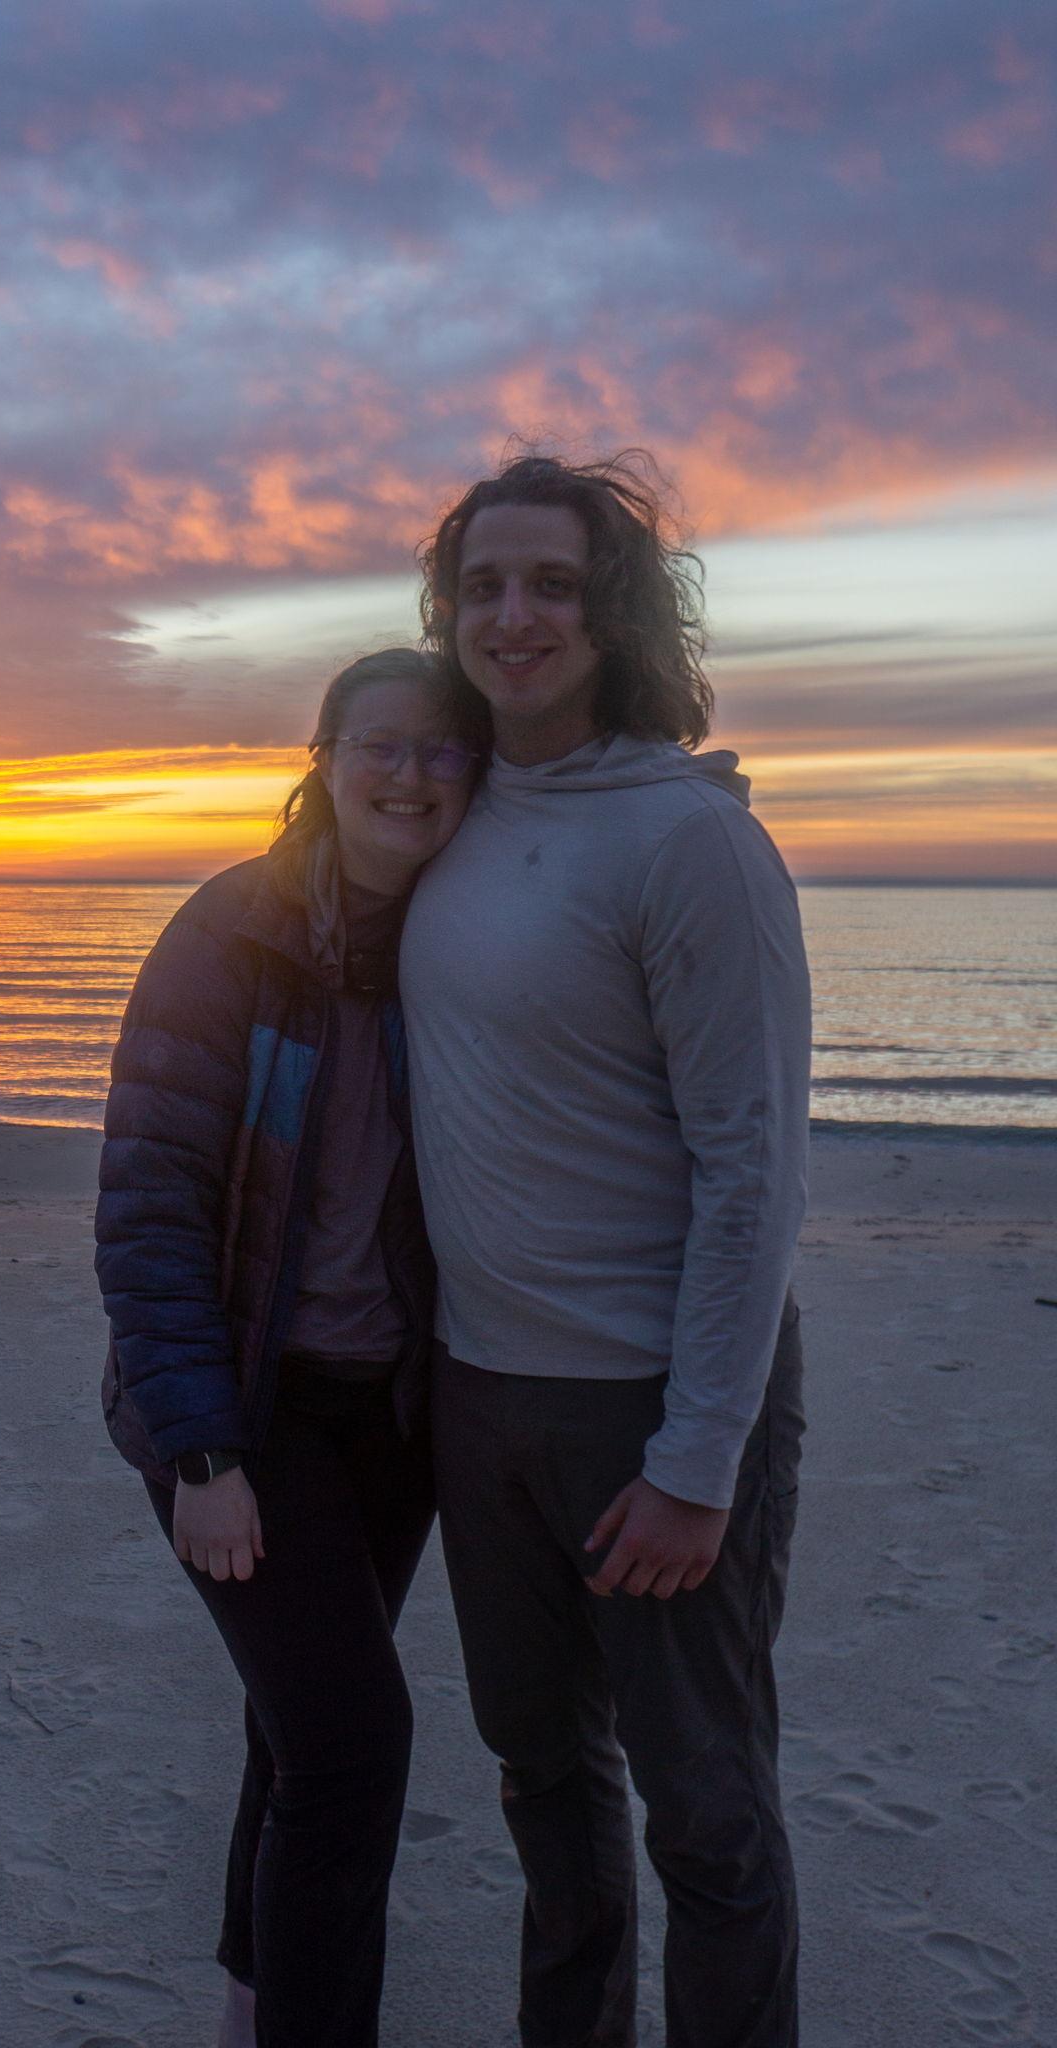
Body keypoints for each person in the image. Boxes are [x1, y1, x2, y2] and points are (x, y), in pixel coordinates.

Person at [400, 450, 811, 2048]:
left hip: (658, 1405)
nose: (514, 616)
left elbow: (753, 1166)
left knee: (706, 1814)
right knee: (546, 1788)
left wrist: (703, 1455)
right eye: (483, 586)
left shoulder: (688, 845)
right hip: (481, 1398)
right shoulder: (453, 809)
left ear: (613, 610)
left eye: (553, 584)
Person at [95, 646, 486, 2048]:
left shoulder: (468, 938)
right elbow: (149, 1211)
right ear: (321, 759)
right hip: (244, 1418)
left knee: (296, 1729)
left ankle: (251, 2008)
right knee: (356, 1748)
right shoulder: (231, 937)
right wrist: (200, 1449)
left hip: (392, 1419)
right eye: (379, 744)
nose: (410, 772)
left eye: (443, 749)